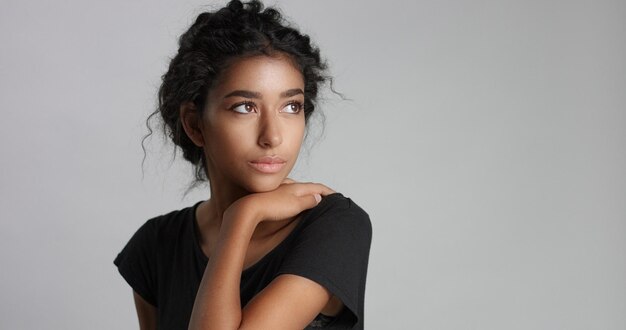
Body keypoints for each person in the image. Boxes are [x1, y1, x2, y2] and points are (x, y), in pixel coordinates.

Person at [113, 1, 372, 329]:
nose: (273, 136)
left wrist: (240, 216)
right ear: (195, 124)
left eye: (291, 106)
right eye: (245, 107)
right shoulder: (156, 245)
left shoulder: (334, 225)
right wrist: (241, 220)